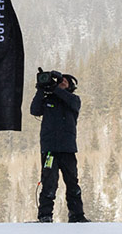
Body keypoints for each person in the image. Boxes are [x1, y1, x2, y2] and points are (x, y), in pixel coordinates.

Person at [30, 70, 88, 222]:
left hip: (67, 149)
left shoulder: (74, 100)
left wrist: (55, 87)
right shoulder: (48, 99)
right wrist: (40, 90)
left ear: (71, 86)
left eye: (65, 81)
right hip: (49, 149)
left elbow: (70, 100)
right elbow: (34, 110)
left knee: (72, 183)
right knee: (49, 183)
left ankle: (77, 215)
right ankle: (45, 215)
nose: (62, 83)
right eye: (60, 81)